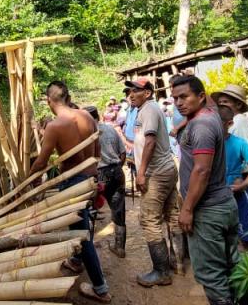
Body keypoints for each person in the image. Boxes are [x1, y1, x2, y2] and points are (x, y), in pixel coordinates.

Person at [29, 81, 111, 303]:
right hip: (92, 178)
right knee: (84, 225)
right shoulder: (86, 116)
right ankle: (76, 261)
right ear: (67, 96)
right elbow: (97, 151)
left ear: (49, 101)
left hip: (74, 182)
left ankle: (101, 288)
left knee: (81, 235)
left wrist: (28, 179)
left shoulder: (55, 126)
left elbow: (41, 162)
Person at [171, 75, 239, 305]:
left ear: (201, 96)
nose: (178, 103)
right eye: (174, 99)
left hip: (207, 209)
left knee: (212, 276)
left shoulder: (201, 126)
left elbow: (202, 171)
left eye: (184, 97)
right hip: (224, 204)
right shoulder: (211, 116)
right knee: (232, 269)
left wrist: (187, 209)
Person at [126, 76, 185, 285]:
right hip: (167, 169)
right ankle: (178, 263)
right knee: (172, 214)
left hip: (156, 174)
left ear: (148, 93)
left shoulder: (149, 110)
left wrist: (141, 173)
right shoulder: (146, 109)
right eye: (130, 91)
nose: (131, 94)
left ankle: (161, 272)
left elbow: (150, 142)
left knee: (150, 220)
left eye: (136, 90)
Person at [84, 105, 128, 258]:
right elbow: (123, 153)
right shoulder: (110, 129)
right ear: (98, 116)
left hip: (100, 173)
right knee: (118, 210)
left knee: (91, 210)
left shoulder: (87, 134)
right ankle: (120, 247)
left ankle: (87, 248)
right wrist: (116, 168)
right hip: (117, 171)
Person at [218, 105, 248, 251]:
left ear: (229, 123)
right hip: (216, 197)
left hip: (237, 194)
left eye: (219, 123)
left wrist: (243, 185)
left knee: (247, 237)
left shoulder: (239, 143)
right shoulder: (208, 144)